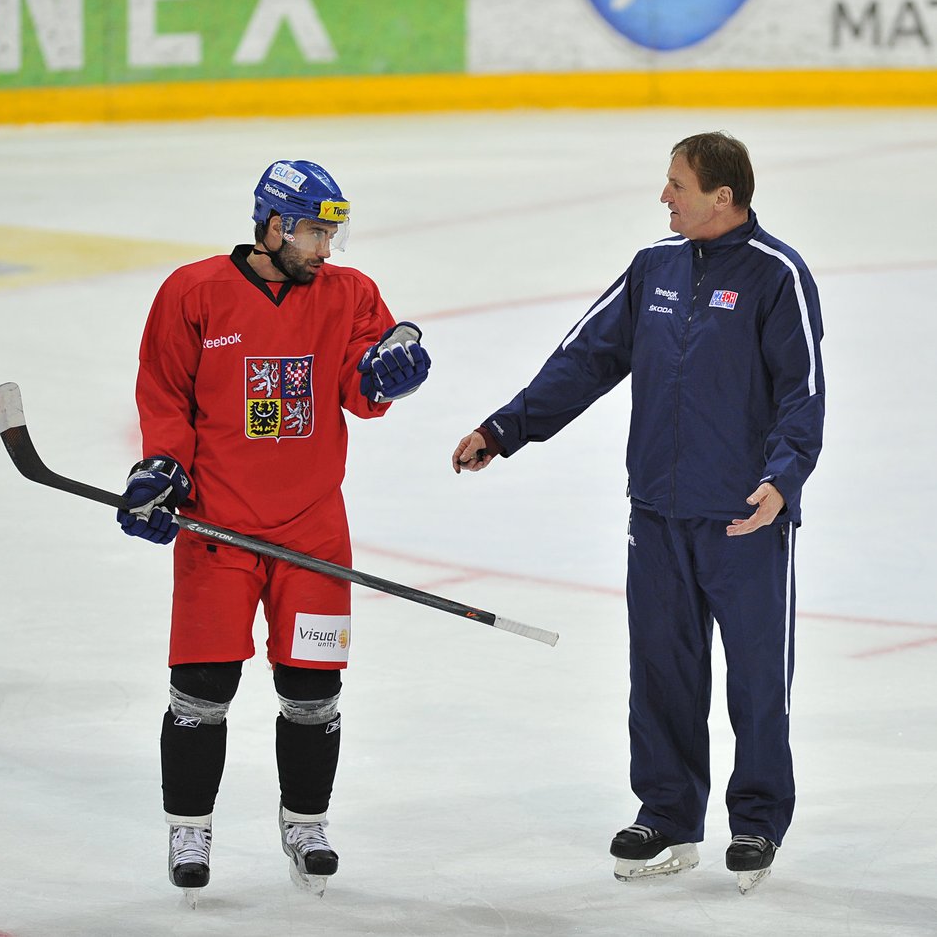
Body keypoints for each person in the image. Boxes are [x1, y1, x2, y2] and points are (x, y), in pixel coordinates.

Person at [452, 132, 824, 894]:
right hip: (655, 511)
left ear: (723, 196)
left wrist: (783, 479)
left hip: (744, 520)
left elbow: (803, 390)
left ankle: (756, 820)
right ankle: (667, 810)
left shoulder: (776, 275)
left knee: (756, 680)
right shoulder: (653, 268)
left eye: (678, 186)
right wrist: (504, 428)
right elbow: (584, 358)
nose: (665, 198)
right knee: (660, 669)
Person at [116, 159, 431, 898]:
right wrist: (161, 469)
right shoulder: (193, 292)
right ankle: (189, 826)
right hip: (218, 530)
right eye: (318, 232)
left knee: (313, 687)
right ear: (275, 224)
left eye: (332, 233)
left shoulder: (349, 293)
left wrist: (387, 374)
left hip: (314, 532)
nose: (328, 249)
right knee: (201, 687)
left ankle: (307, 821)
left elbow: (363, 381)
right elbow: (164, 393)